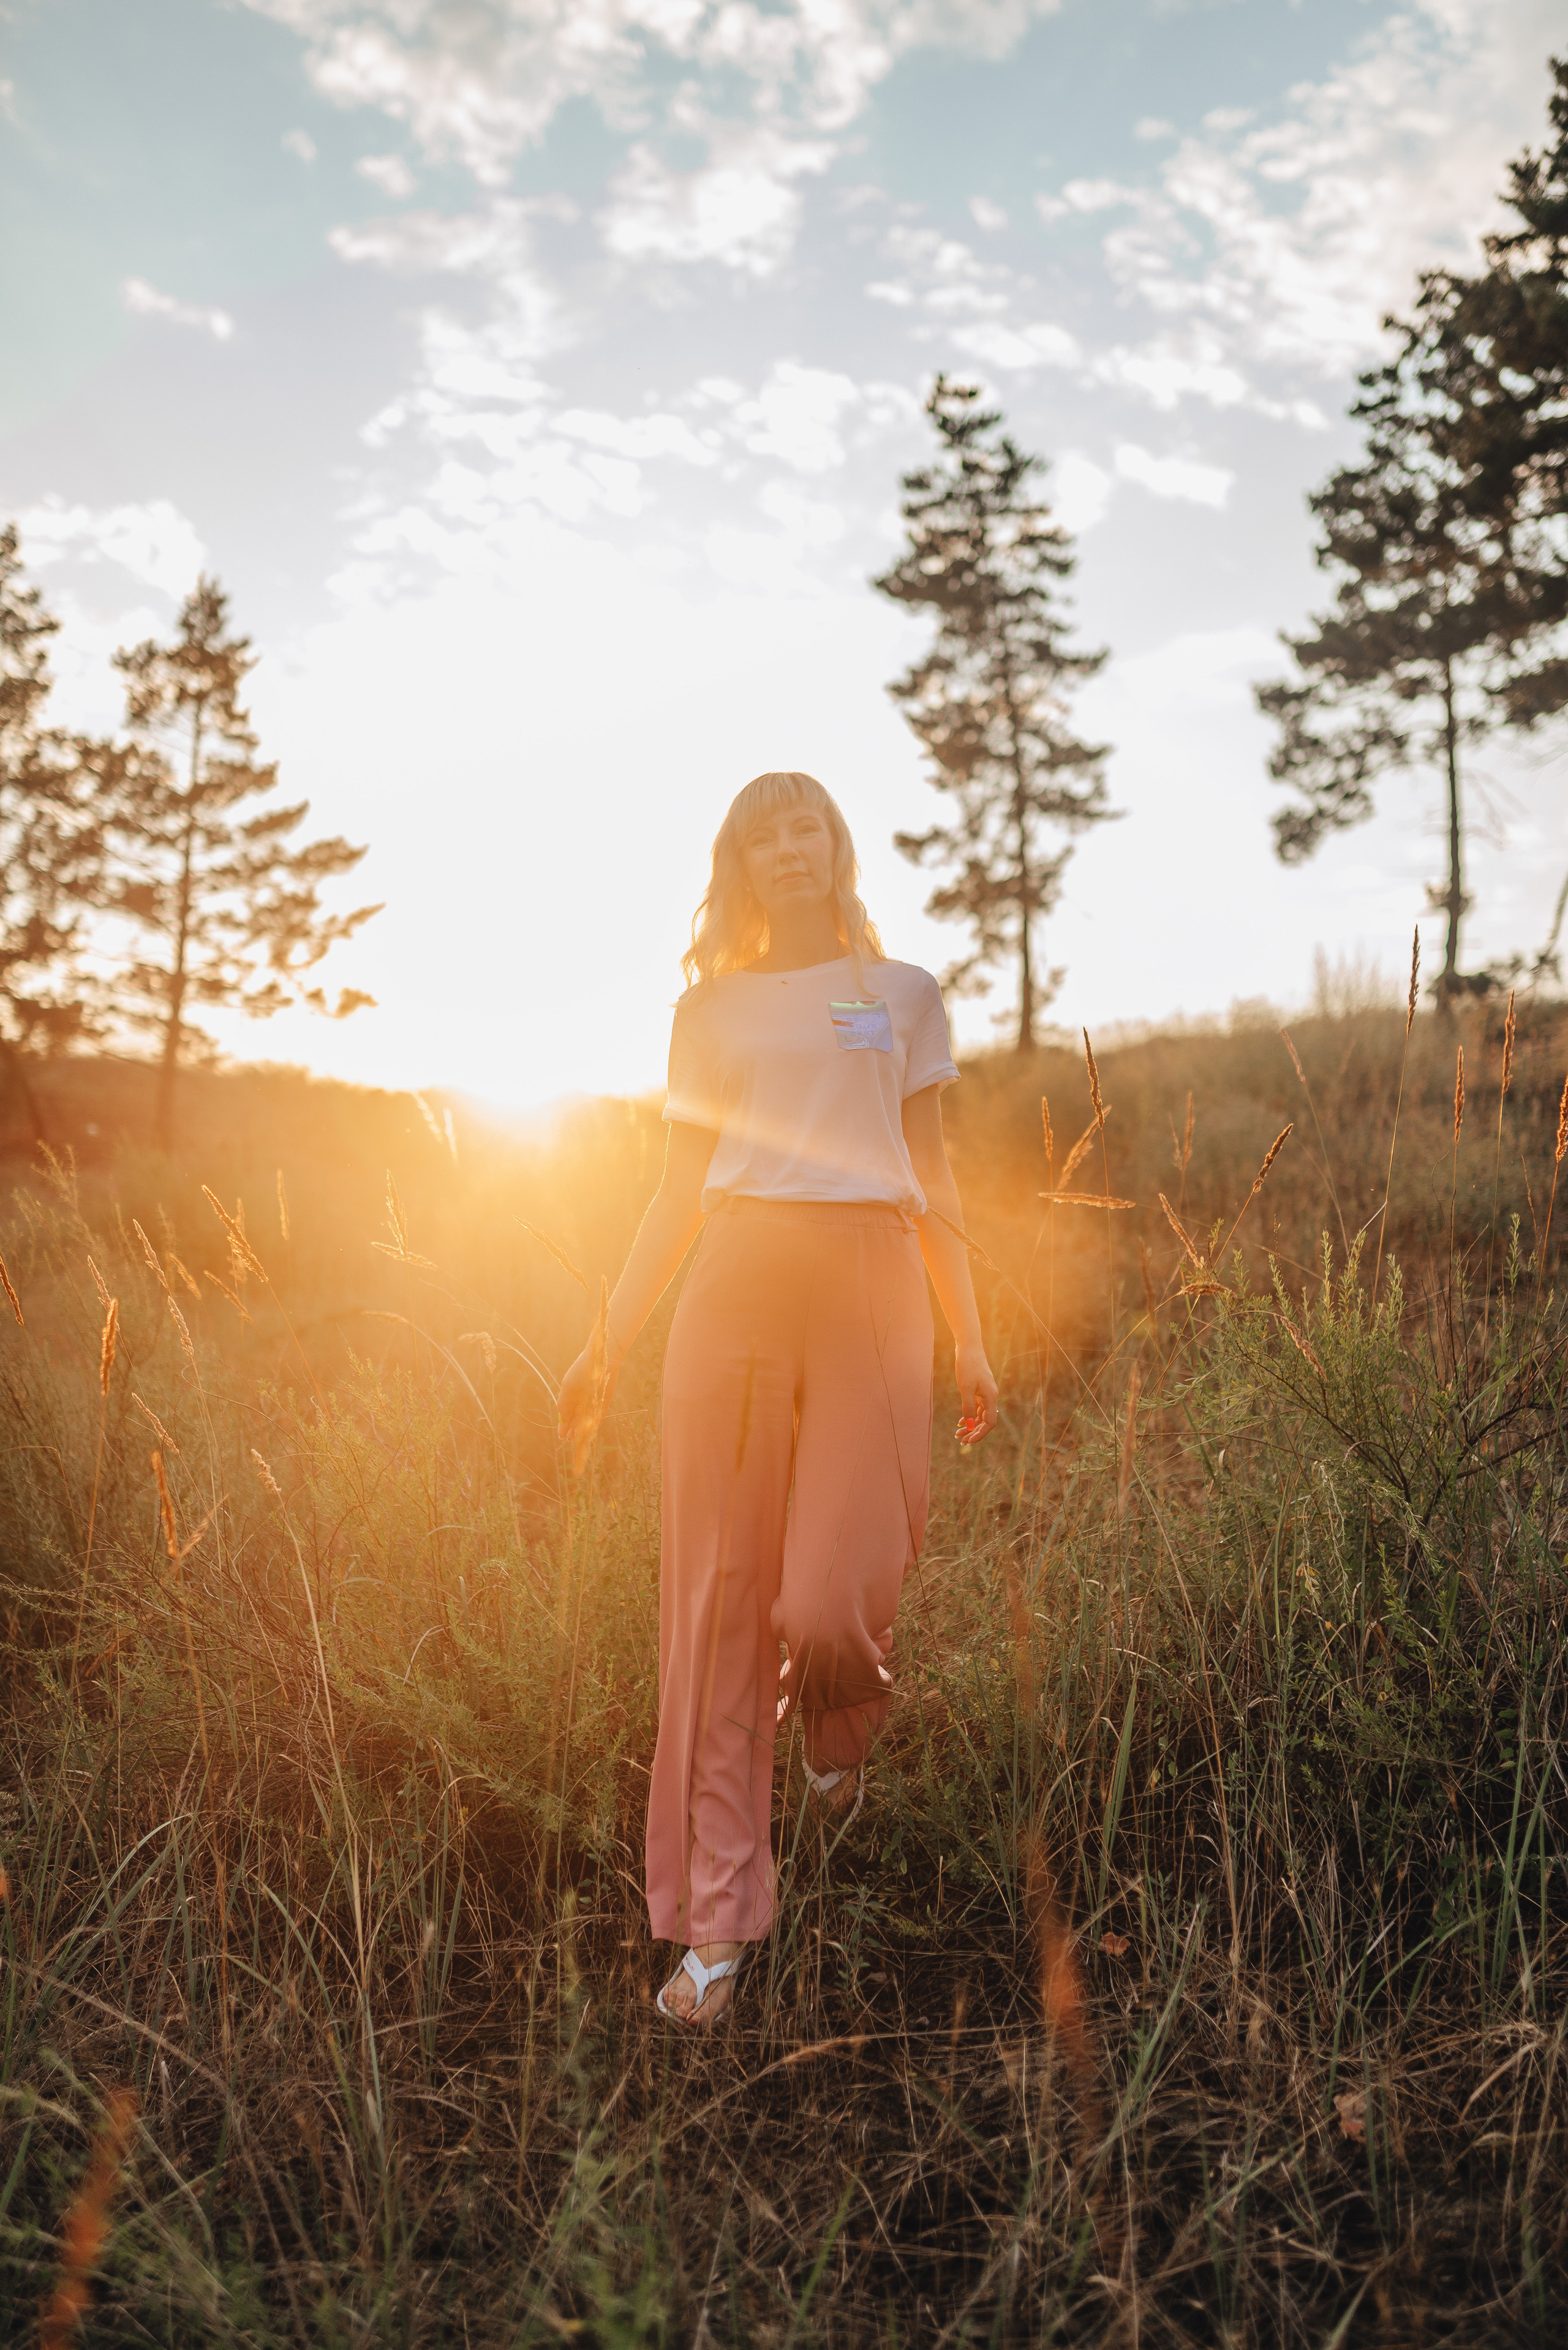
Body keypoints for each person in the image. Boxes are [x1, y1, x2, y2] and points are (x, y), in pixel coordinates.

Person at [557, 771, 998, 2025]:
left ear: (836, 844)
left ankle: (835, 1716)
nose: (788, 846)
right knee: (717, 1610)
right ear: (740, 862)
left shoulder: (900, 993)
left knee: (827, 1592)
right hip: (735, 1284)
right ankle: (714, 1927)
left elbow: (936, 1169)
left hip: (870, 1280)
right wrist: (604, 1339)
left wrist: (970, 1335)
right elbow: (671, 1190)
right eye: (764, 832)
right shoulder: (709, 1009)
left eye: (805, 824)